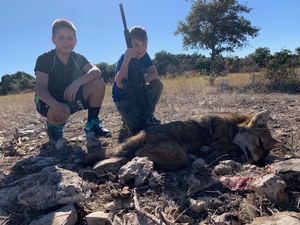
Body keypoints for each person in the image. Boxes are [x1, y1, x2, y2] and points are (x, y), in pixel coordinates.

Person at [34, 18, 110, 142]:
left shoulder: (78, 58)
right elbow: (41, 89)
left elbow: (97, 71)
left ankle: (92, 124)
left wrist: (77, 82)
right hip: (48, 99)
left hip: (69, 96)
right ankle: (54, 126)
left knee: (97, 83)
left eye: (70, 38)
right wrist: (55, 105)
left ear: (75, 41)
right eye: (61, 38)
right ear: (53, 40)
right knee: (56, 113)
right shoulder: (45, 58)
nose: (66, 42)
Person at [112, 26, 164, 132]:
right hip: (124, 98)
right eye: (136, 45)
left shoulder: (145, 56)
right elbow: (120, 84)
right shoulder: (124, 58)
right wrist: (127, 60)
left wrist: (142, 82)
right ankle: (127, 118)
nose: (141, 49)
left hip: (138, 93)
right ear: (129, 44)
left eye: (144, 44)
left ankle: (149, 115)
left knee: (157, 84)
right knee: (136, 127)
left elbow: (154, 73)